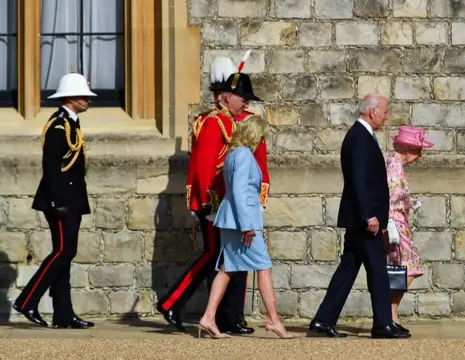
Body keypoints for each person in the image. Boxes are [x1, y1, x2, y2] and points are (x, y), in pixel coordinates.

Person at [156, 56, 260, 335]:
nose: (245, 103)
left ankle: (227, 318)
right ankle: (172, 303)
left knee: (231, 259)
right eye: (240, 98)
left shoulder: (235, 122)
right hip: (215, 204)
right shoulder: (213, 123)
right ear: (227, 98)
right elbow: (203, 167)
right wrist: (205, 203)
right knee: (214, 255)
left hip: (230, 203)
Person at [308, 94, 409, 339]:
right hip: (365, 220)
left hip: (361, 218)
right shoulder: (360, 137)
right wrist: (369, 216)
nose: (386, 117)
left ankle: (323, 320)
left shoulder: (362, 135)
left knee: (348, 269)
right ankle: (383, 323)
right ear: (372, 111)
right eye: (384, 112)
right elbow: (359, 180)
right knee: (377, 270)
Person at [13, 67, 96, 329]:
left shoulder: (71, 122)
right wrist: (56, 202)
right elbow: (51, 167)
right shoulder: (59, 125)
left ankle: (63, 313)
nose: (88, 100)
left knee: (65, 254)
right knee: (63, 251)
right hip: (61, 200)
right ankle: (27, 300)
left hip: (71, 197)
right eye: (83, 95)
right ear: (71, 98)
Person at [198, 116, 295, 340]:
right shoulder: (243, 155)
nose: (262, 141)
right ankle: (273, 320)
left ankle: (208, 318)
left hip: (232, 219)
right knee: (264, 266)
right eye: (261, 137)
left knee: (227, 268)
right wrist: (247, 225)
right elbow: (241, 192)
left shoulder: (234, 153)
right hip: (242, 222)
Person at [384, 126, 434, 332]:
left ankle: (391, 316)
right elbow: (390, 196)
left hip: (399, 222)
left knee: (402, 269)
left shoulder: (393, 163)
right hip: (394, 223)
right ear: (406, 148)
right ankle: (387, 313)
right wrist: (391, 223)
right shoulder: (394, 166)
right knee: (408, 268)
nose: (420, 155)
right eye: (418, 150)